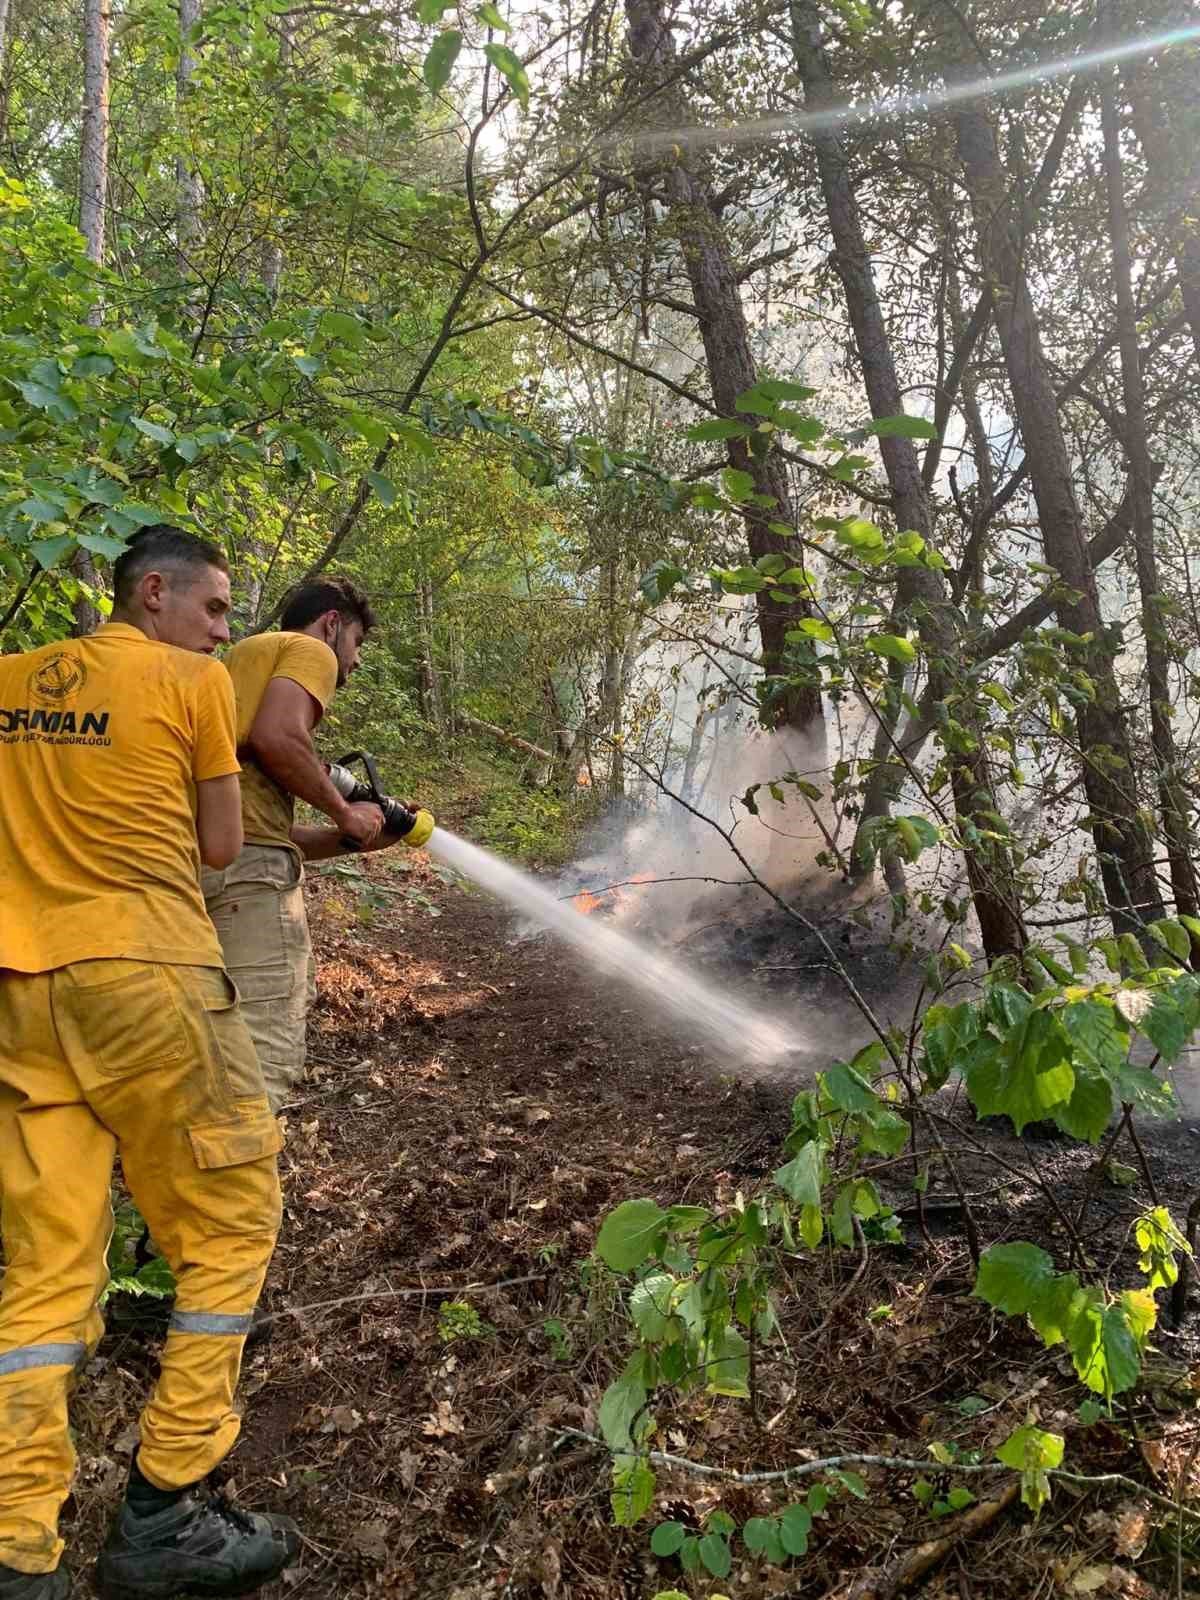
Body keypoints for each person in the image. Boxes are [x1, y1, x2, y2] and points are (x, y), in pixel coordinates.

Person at [0, 526, 299, 1600]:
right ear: (154, 593)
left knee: (44, 1272)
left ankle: (17, 1550)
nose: (224, 631)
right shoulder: (192, 682)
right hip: (148, 978)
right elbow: (220, 845)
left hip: (21, 994)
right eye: (215, 608)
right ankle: (165, 1508)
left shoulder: (8, 682)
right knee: (232, 1220)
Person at [199, 576, 430, 1112]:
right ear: (331, 624)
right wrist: (345, 810)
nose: (357, 660)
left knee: (214, 1049)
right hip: (248, 885)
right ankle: (242, 1164)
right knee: (261, 1060)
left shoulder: (240, 663)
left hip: (211, 864)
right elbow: (279, 737)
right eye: (357, 642)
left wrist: (347, 839)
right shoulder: (308, 650)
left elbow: (263, 833)